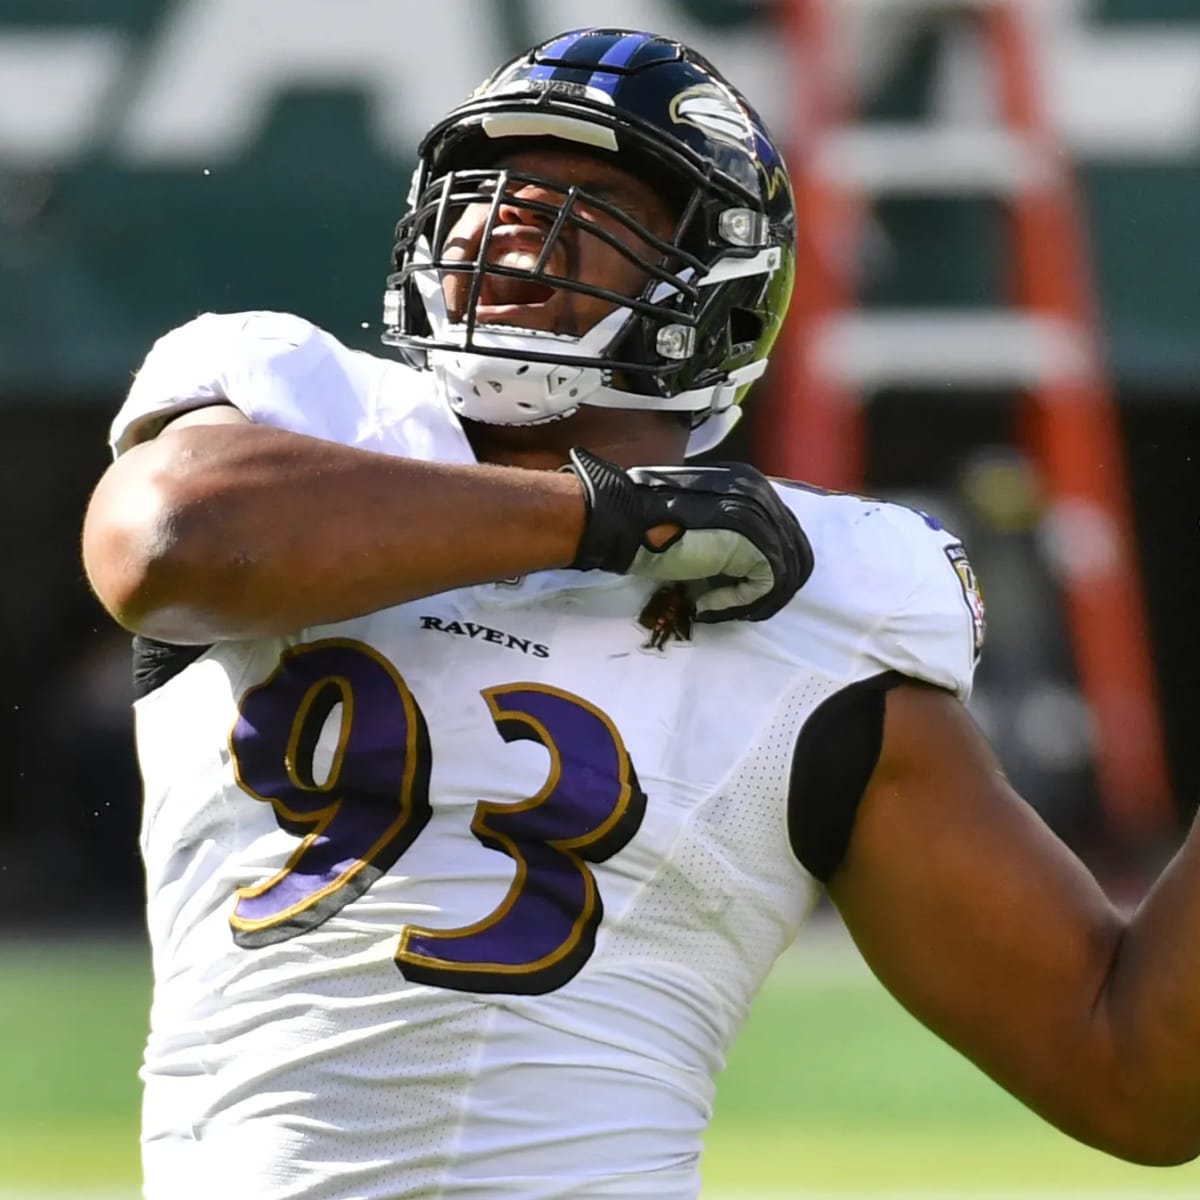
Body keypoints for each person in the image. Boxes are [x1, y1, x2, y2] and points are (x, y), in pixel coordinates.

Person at [81, 26, 1199, 1200]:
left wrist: (633, 523)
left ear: (713, 281)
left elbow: (1128, 1069)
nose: (513, 215)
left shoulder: (826, 613)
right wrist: (613, 521)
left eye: (592, 194)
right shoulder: (302, 408)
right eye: (491, 186)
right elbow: (167, 543)